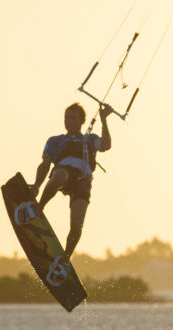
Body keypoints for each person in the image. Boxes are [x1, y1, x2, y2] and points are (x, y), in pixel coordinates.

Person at [29, 102, 113, 265]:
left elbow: (106, 145)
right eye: (66, 118)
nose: (68, 121)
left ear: (82, 121)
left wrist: (103, 119)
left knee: (76, 224)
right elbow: (45, 164)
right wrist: (37, 185)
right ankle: (39, 208)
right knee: (60, 174)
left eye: (72, 118)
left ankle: (64, 260)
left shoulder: (89, 139)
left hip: (82, 182)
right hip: (64, 172)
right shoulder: (55, 140)